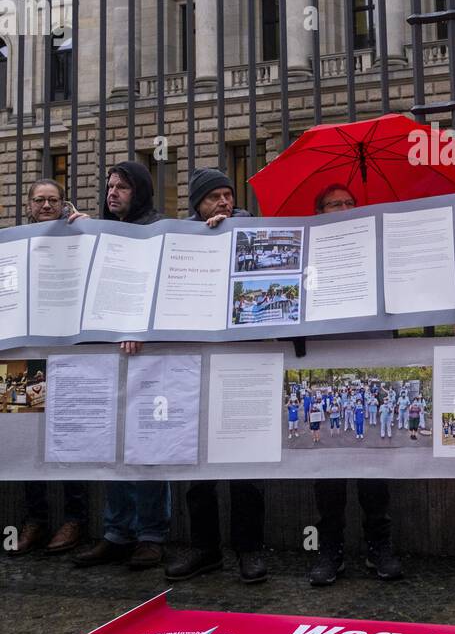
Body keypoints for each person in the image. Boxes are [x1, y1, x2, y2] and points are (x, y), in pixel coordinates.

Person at [165, 168, 268, 584]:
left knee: (245, 463)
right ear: (197, 204)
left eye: (228, 195)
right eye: (215, 197)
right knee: (198, 468)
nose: (224, 202)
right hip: (195, 363)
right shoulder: (180, 239)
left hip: (241, 361)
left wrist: (232, 229)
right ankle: (205, 549)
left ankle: (250, 550)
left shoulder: (244, 226)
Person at [74, 163, 171, 571]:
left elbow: (161, 286)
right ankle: (117, 533)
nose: (113, 192)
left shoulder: (158, 231)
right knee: (114, 442)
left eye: (123, 187)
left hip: (146, 354)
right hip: (108, 352)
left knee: (146, 444)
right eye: (110, 186)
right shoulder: (104, 231)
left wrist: (138, 326)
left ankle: (150, 535)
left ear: (142, 191)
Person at [309, 183, 402, 585]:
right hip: (325, 356)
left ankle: (378, 547)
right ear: (321, 212)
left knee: (374, 467)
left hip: (373, 358)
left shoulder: (378, 251)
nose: (344, 209)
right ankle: (331, 550)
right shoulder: (309, 255)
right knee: (327, 470)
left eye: (350, 203)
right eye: (335, 204)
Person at [10, 180, 89, 557]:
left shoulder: (80, 233)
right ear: (28, 205)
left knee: (70, 437)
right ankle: (35, 520)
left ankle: (76, 519)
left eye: (52, 200)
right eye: (39, 200)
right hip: (25, 355)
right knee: (28, 442)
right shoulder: (14, 242)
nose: (45, 205)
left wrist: (90, 230)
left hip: (68, 353)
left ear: (63, 203)